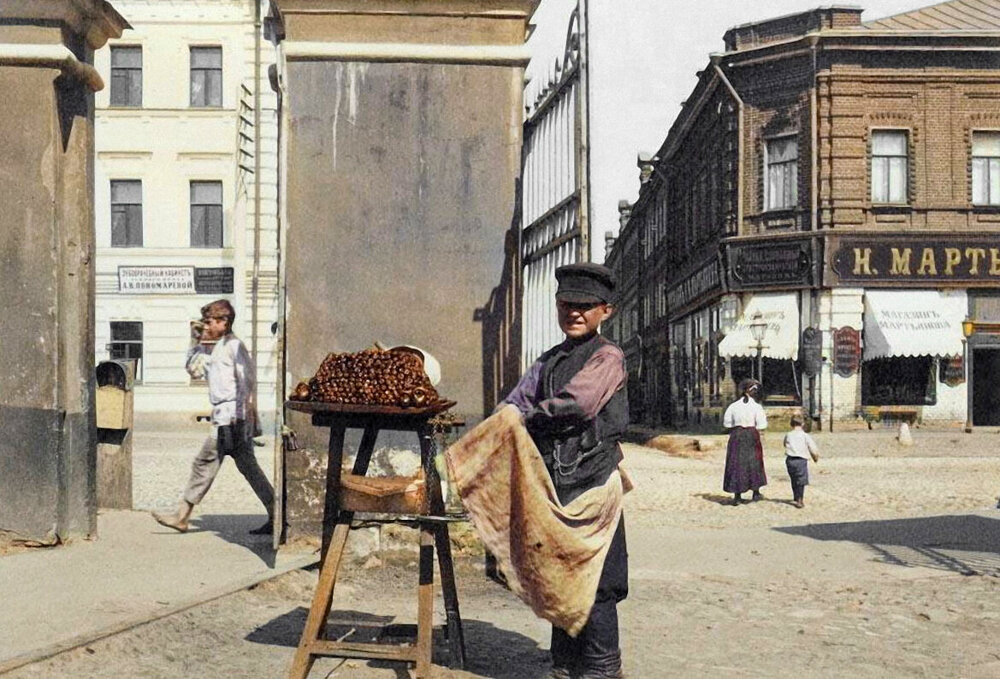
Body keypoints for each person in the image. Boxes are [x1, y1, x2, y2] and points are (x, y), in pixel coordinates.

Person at [500, 262, 628, 679]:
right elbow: (514, 402)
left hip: (593, 486)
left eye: (585, 306)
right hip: (554, 486)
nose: (574, 313)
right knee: (559, 575)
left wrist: (529, 416)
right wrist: (502, 420)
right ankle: (564, 666)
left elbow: (580, 402)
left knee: (598, 580)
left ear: (605, 311)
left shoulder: (608, 357)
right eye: (566, 304)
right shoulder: (548, 361)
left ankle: (602, 669)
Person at [152, 299, 275, 535]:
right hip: (225, 416)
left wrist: (244, 416)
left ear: (224, 322)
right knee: (249, 468)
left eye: (210, 322)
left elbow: (246, 381)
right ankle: (278, 514)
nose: (207, 327)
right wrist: (193, 341)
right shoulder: (218, 347)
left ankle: (181, 516)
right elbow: (195, 369)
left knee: (204, 463)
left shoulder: (235, 347)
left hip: (231, 419)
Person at [722, 378, 768, 505]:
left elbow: (727, 423)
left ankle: (738, 495)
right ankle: (755, 492)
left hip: (737, 435)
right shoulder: (757, 407)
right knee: (754, 462)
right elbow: (762, 425)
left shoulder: (733, 406)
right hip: (752, 435)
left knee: (737, 463)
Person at [783, 414, 820, 508]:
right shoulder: (805, 436)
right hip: (801, 460)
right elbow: (812, 448)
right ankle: (800, 499)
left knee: (794, 479)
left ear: (791, 424)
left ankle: (795, 495)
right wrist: (815, 457)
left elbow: (784, 444)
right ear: (802, 424)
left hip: (790, 459)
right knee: (801, 480)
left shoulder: (788, 435)